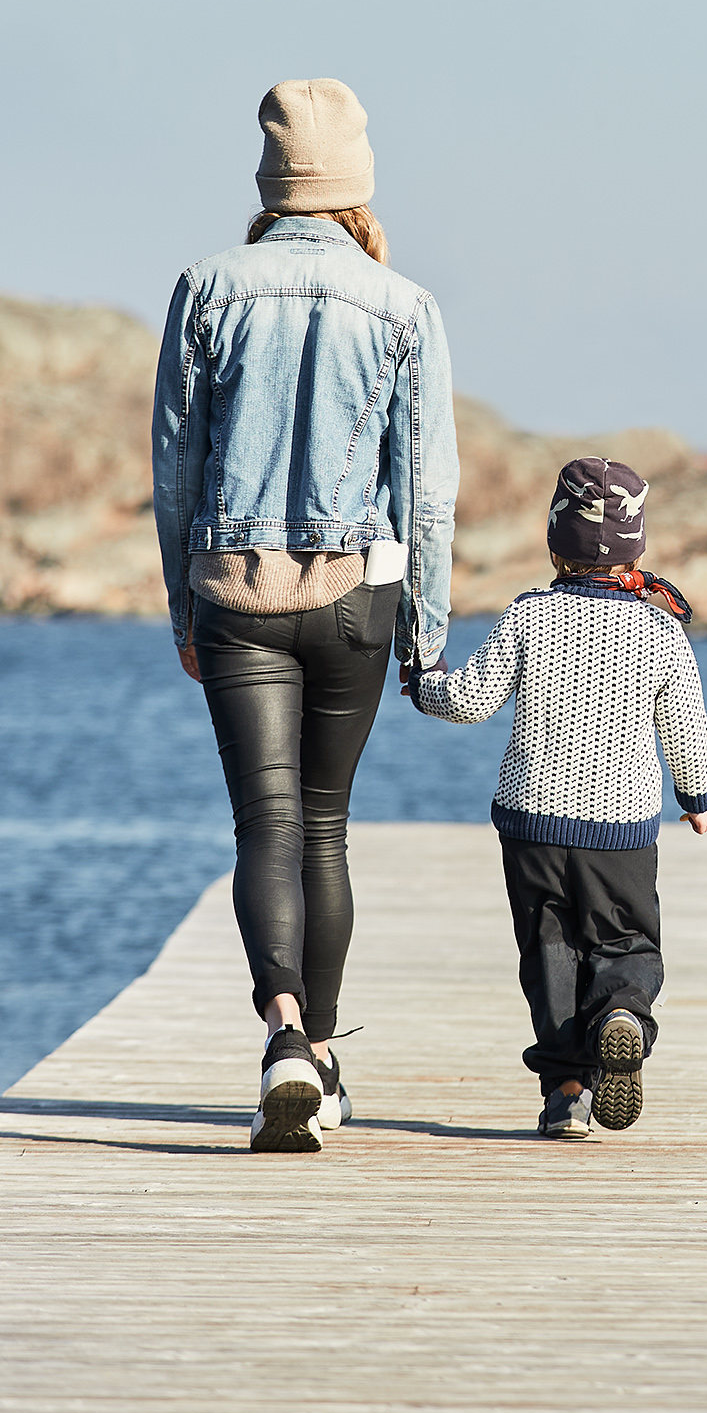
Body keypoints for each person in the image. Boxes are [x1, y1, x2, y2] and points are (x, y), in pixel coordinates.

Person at [152, 78, 457, 1153]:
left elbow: (175, 469)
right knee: (324, 828)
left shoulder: (205, 286)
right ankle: (318, 1055)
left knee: (265, 828)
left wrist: (183, 608)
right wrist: (426, 636)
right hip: (355, 595)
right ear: (356, 187)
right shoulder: (403, 301)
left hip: (233, 592)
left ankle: (283, 1030)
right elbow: (426, 488)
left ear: (271, 183)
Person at [405, 455, 707, 1140]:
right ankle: (622, 1014)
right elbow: (686, 731)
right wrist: (698, 798)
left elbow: (470, 700)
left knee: (549, 948)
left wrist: (423, 682)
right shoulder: (662, 631)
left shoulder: (529, 615)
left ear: (554, 541)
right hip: (622, 832)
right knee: (624, 939)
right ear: (636, 545)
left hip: (533, 825)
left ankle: (566, 1093)